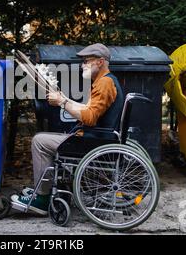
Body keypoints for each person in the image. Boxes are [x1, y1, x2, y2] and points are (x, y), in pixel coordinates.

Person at [11, 43, 124, 215]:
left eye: (87, 61)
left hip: (92, 140)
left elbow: (90, 118)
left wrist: (63, 103)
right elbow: (87, 108)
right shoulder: (105, 81)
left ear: (100, 62)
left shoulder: (104, 83)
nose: (82, 65)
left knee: (39, 141)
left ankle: (42, 198)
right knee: (45, 137)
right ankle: (45, 190)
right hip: (96, 137)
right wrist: (64, 99)